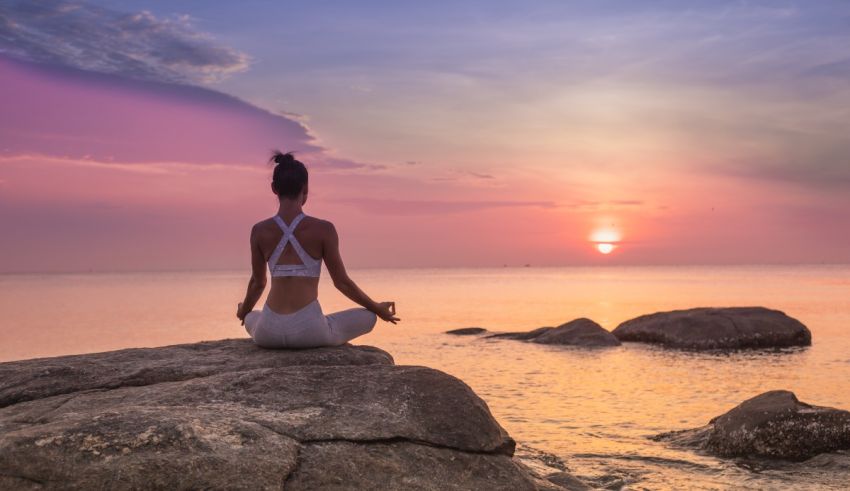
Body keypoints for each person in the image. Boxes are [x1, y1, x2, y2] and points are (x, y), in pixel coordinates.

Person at [236, 151, 399, 348]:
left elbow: (257, 283)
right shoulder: (324, 229)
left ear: (274, 189)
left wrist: (243, 311)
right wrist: (378, 309)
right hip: (309, 331)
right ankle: (328, 322)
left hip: (268, 333)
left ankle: (254, 317)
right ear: (305, 189)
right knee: (368, 317)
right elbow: (342, 283)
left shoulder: (259, 230)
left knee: (253, 315)